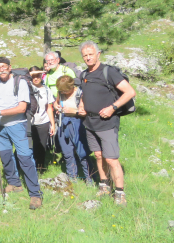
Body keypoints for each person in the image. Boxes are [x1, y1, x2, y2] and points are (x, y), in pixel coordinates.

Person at [79, 41, 136, 206]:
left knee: (111, 158)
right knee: (98, 155)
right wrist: (82, 105)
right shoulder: (84, 75)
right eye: (85, 55)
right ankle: (104, 185)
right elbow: (84, 93)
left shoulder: (108, 71)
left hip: (107, 122)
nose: (88, 58)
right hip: (89, 122)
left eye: (91, 54)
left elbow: (130, 92)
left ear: (98, 54)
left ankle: (119, 193)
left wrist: (113, 107)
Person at [0, 57, 42, 210]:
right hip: (0, 126)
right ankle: (14, 183)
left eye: (3, 66)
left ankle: (35, 194)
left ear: (10, 68)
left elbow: (22, 108)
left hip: (18, 125)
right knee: (5, 156)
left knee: (25, 158)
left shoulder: (20, 82)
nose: (0, 69)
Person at [54, 75, 91, 183]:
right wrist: (57, 107)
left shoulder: (80, 93)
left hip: (78, 123)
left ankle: (89, 177)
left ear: (71, 86)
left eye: (66, 90)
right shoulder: (60, 93)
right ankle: (72, 177)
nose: (64, 93)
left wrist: (73, 111)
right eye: (62, 91)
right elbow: (56, 103)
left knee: (82, 153)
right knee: (67, 153)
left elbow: (86, 112)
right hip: (63, 123)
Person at [28, 66, 56, 174]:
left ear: (41, 76)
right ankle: (26, 169)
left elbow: (49, 108)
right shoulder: (26, 88)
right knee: (27, 147)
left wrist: (52, 124)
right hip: (29, 122)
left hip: (43, 122)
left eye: (38, 76)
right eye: (33, 76)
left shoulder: (46, 90)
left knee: (41, 147)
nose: (35, 78)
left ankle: (40, 169)